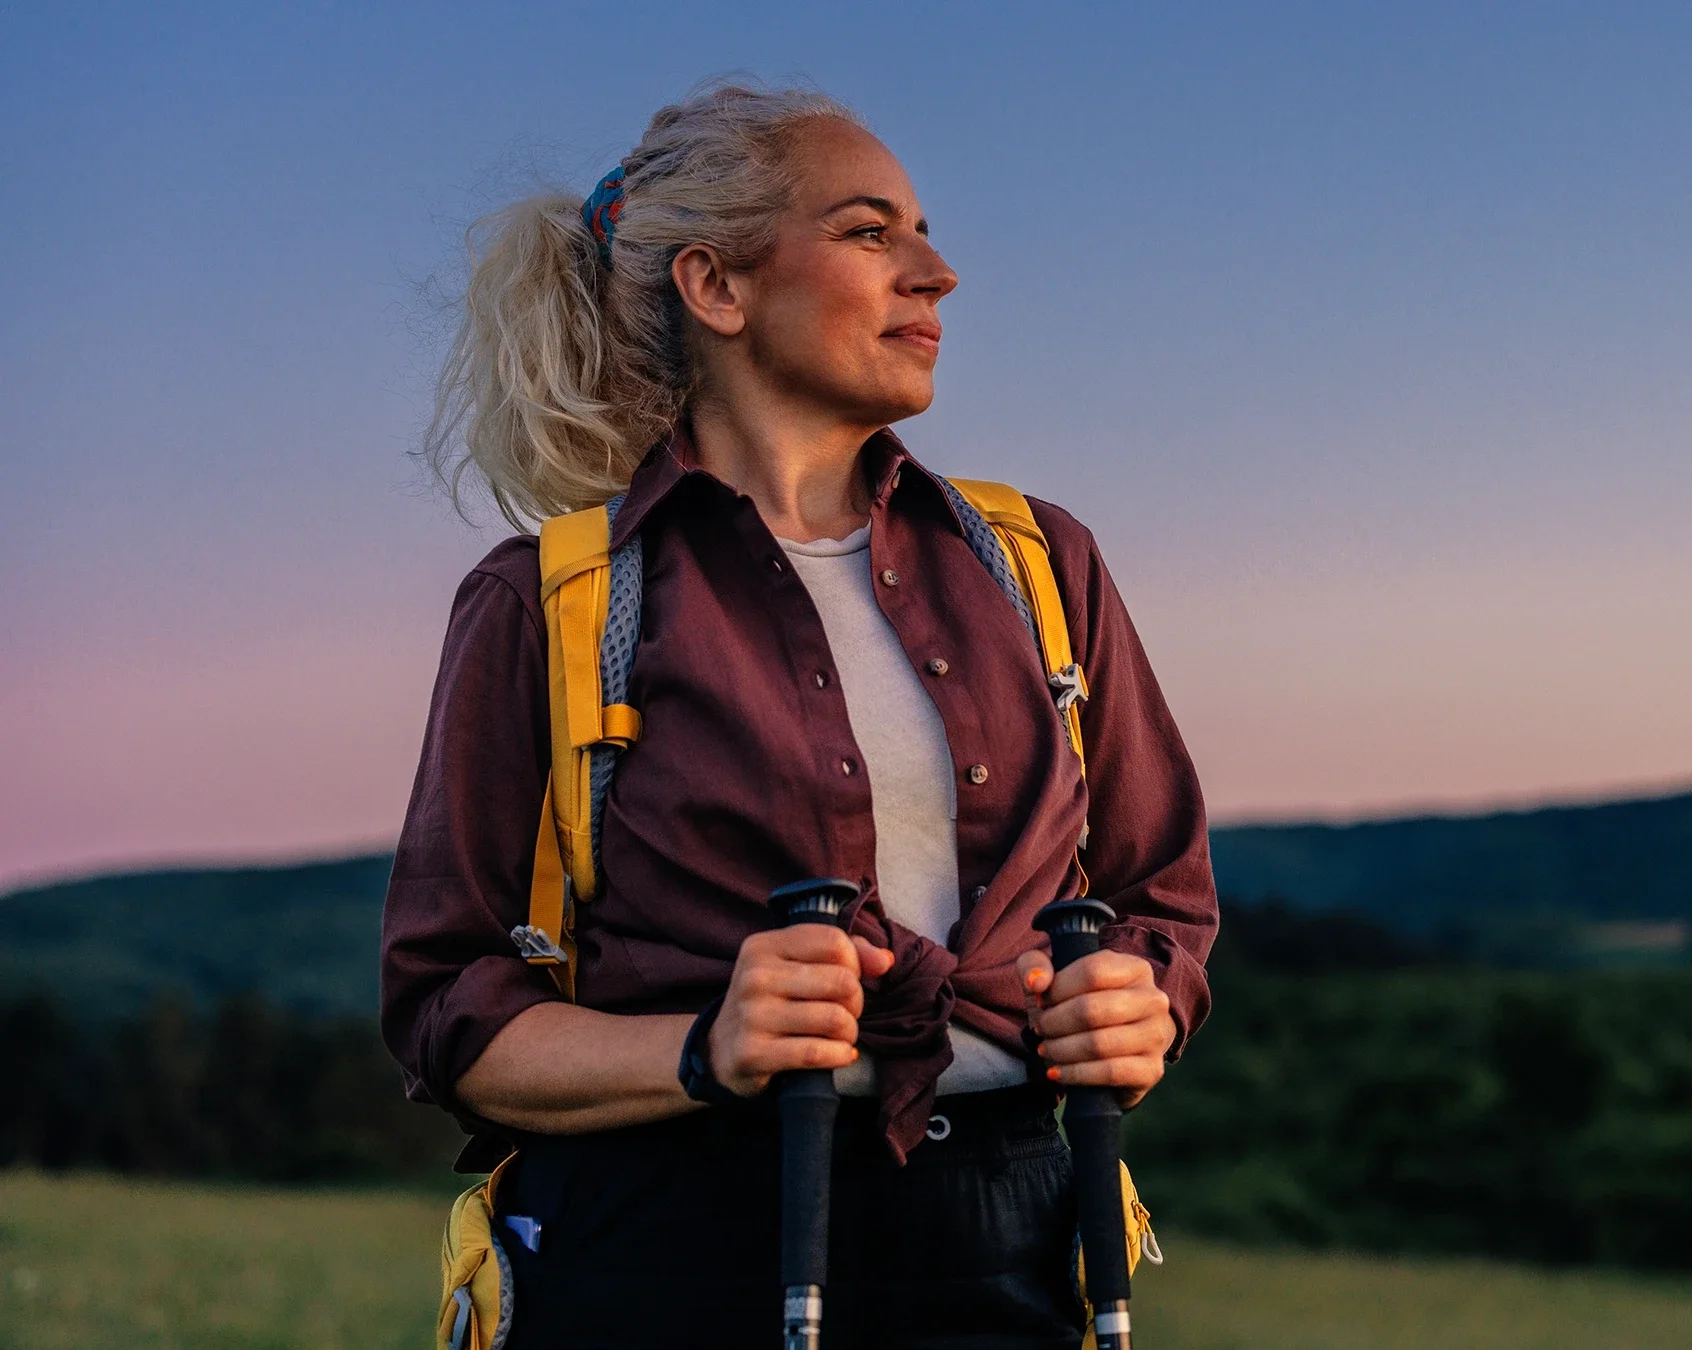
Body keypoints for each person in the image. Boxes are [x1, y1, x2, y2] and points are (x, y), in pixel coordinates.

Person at [382, 81, 1217, 1349]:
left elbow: (1162, 899)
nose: (936, 274)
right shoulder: (546, 604)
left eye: (922, 232)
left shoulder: (1040, 561)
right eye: (871, 233)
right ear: (716, 288)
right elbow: (452, 1009)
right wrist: (703, 1048)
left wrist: (1142, 1002)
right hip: (670, 1252)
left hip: (1020, 1244)